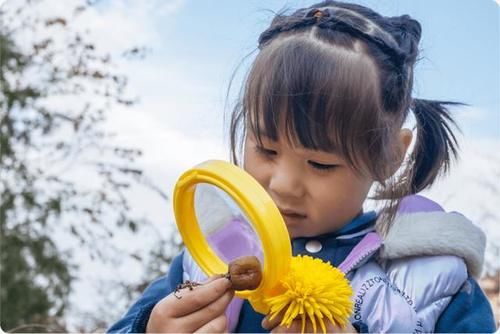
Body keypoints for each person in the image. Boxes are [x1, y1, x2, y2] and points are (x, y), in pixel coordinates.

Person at [108, 1, 496, 332]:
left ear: (391, 155)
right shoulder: (209, 257)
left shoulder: (434, 280)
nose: (283, 184)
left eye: (320, 163)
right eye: (266, 149)